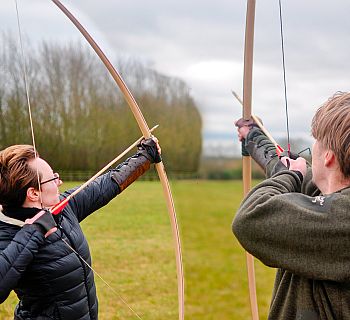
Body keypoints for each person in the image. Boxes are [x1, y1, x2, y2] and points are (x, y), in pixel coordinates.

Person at [0, 138, 161, 320]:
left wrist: (145, 157)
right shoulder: (7, 232)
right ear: (34, 193)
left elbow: (105, 185)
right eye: (53, 178)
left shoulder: (62, 208)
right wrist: (34, 231)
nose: (59, 181)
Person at [232, 92, 350, 320]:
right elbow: (293, 173)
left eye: (316, 141)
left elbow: (251, 218)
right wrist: (254, 137)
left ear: (328, 157)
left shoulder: (342, 218)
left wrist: (289, 175)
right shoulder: (332, 202)